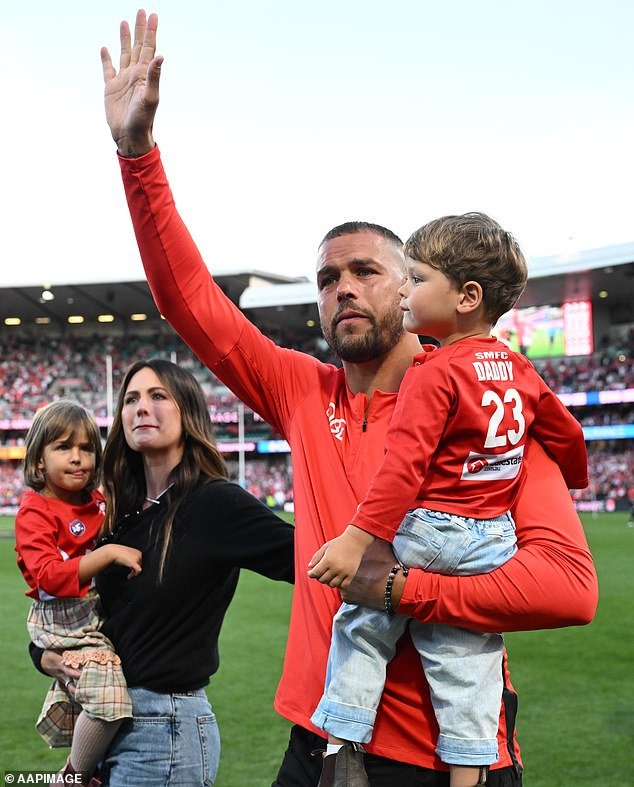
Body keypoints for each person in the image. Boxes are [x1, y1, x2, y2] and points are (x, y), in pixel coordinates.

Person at [99, 11, 598, 785]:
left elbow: (569, 587)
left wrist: (399, 588)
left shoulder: (485, 404)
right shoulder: (303, 390)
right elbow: (189, 301)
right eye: (328, 278)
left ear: (413, 288)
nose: (343, 287)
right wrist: (138, 155)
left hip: (440, 758)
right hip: (320, 742)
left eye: (367, 270)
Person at [307, 213, 589, 787]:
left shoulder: (433, 371)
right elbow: (567, 434)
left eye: (416, 279)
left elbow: (402, 470)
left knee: (361, 625)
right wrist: (576, 477)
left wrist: (356, 541)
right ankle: (468, 772)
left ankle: (341, 743)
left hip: (433, 528)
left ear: (466, 297)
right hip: (492, 540)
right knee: (469, 662)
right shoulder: (519, 367)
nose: (404, 292)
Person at [32, 360, 294, 785]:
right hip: (104, 724)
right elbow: (89, 611)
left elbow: (309, 558)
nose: (141, 407)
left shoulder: (215, 503)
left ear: (187, 411)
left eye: (158, 396)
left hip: (165, 730)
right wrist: (44, 656)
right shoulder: (118, 512)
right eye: (131, 399)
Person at [15, 400, 141, 785]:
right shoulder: (35, 511)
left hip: (90, 612)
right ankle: (73, 776)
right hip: (62, 618)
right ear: (39, 461)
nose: (77, 458)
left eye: (86, 448)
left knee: (90, 687)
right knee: (109, 700)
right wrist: (107, 554)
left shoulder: (96, 502)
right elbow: (48, 576)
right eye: (63, 447)